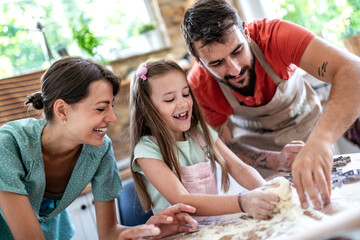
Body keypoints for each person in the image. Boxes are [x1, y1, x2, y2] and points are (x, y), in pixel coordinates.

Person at [181, 0, 360, 210]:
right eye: (217, 63)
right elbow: (225, 146)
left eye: (237, 51)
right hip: (262, 161)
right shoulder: (199, 88)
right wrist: (275, 161)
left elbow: (353, 71)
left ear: (246, 32)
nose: (234, 69)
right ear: (198, 61)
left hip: (313, 133)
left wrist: (320, 141)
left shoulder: (276, 36)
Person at [0, 56, 198, 240]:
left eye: (112, 106)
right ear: (62, 110)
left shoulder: (99, 150)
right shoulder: (8, 145)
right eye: (101, 108)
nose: (112, 117)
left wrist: (148, 230)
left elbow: (109, 232)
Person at [129, 59, 280, 220]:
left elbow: (238, 168)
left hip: (215, 227)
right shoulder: (146, 150)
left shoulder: (200, 131)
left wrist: (267, 190)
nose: (183, 103)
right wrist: (243, 202)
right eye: (169, 99)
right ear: (147, 110)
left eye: (186, 94)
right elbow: (182, 199)